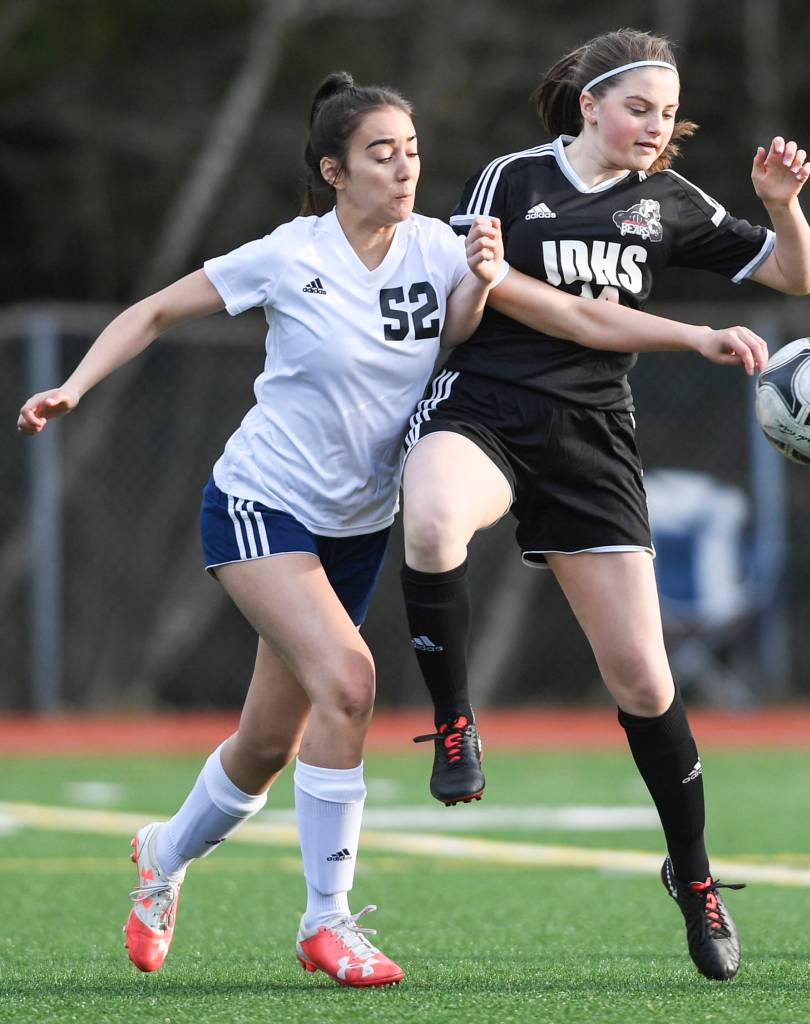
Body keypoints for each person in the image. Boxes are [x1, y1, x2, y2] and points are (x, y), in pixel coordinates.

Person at [16, 71, 514, 988]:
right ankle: (327, 923)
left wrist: (480, 286)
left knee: (265, 748)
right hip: (260, 503)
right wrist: (75, 386)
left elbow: (452, 340)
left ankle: (162, 856)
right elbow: (156, 310)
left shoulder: (443, 249)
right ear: (334, 170)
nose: (404, 168)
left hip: (358, 527)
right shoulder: (291, 254)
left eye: (411, 150)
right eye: (380, 153)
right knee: (353, 682)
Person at [399, 27, 810, 983]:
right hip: (489, 409)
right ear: (590, 104)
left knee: (644, 680)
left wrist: (782, 210)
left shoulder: (670, 201)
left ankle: (698, 878)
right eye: (638, 107)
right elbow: (514, 309)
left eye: (668, 113)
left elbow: (799, 277)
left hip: (593, 440)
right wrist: (692, 334)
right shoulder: (512, 178)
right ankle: (455, 720)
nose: (654, 126)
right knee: (430, 519)